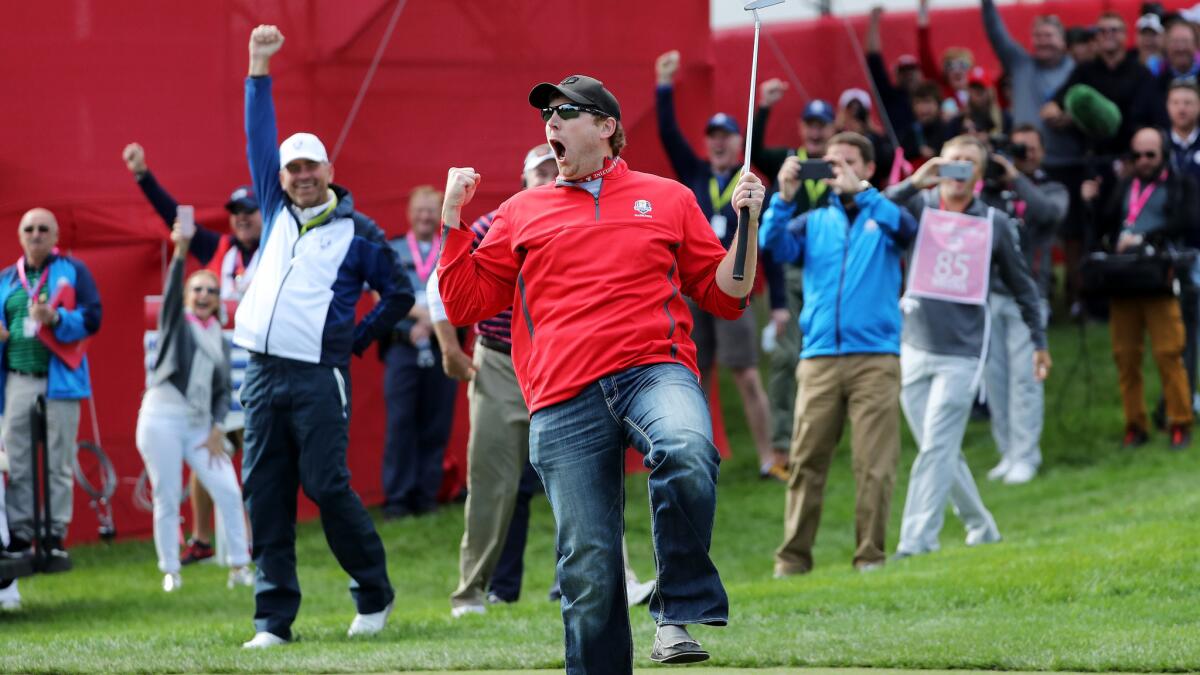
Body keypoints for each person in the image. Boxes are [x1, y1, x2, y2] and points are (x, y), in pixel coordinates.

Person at [438, 74, 765, 670]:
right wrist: (453, 219)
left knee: (688, 447)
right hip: (563, 394)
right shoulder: (520, 210)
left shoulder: (668, 197)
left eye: (564, 112)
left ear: (607, 126)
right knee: (589, 572)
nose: (550, 124)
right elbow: (463, 305)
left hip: (653, 369)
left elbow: (728, 294)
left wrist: (747, 222)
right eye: (546, 116)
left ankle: (676, 612)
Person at [236, 25, 413, 648]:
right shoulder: (274, 204)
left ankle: (373, 593)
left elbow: (399, 295)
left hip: (317, 377)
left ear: (329, 170)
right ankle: (273, 622)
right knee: (265, 491)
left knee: (326, 485)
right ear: (280, 177)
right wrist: (259, 66)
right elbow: (260, 131)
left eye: (310, 166)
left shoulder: (359, 232)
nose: (301, 176)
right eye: (292, 168)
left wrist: (354, 340)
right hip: (260, 373)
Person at [885, 135, 1051, 559]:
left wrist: (1039, 341)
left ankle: (915, 542)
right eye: (951, 161)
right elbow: (870, 211)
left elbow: (1023, 285)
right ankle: (982, 525)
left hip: (962, 353)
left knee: (937, 447)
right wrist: (913, 183)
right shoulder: (918, 208)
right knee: (937, 449)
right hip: (913, 344)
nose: (958, 171)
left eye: (967, 165)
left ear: (977, 176)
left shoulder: (993, 222)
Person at [760, 132, 916, 576]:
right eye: (828, 164)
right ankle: (792, 561)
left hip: (876, 358)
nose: (836, 171)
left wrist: (864, 195)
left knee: (875, 465)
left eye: (847, 163)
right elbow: (774, 245)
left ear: (867, 169)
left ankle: (870, 557)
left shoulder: (883, 215)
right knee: (806, 461)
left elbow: (909, 230)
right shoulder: (812, 221)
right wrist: (783, 199)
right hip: (820, 357)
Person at [121, 141, 263, 566]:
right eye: (235, 213)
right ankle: (203, 537)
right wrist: (144, 176)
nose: (241, 219)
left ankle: (251, 541)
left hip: (257, 361)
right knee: (207, 447)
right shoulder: (218, 248)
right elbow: (175, 219)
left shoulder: (277, 247)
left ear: (262, 215)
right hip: (214, 364)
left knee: (247, 453)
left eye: (249, 211)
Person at [655, 49, 786, 479]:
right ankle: (699, 457)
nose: (717, 141)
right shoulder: (693, 172)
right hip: (691, 289)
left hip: (730, 285)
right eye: (711, 134)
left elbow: (763, 247)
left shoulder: (748, 182)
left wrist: (780, 300)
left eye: (726, 135)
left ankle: (769, 456)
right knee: (695, 375)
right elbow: (669, 133)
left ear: (736, 141)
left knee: (746, 373)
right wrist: (663, 85)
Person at [136, 222, 252, 592]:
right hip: (161, 418)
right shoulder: (176, 324)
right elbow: (169, 295)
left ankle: (239, 567)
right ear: (188, 295)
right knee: (167, 494)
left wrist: (218, 427)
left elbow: (222, 392)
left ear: (219, 299)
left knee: (229, 490)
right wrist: (182, 251)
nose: (204, 295)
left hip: (201, 425)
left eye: (211, 291)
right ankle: (170, 569)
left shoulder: (219, 336)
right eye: (197, 289)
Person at [1081, 127, 1197, 449]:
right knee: (1125, 357)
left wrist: (1147, 238)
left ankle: (1179, 422)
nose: (1143, 161)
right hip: (1124, 282)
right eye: (1137, 155)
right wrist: (1090, 201)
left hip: (1158, 280)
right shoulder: (1122, 186)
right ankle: (1135, 425)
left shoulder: (1179, 185)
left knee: (1169, 354)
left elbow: (1189, 221)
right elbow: (1104, 224)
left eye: (1150, 155)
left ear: (1163, 155)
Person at [0, 208, 102, 565]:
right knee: (18, 460)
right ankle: (22, 533)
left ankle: (54, 533)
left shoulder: (73, 271)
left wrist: (57, 318)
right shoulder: (7, 279)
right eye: (30, 228)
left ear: (56, 236)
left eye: (44, 228)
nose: (37, 234)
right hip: (17, 379)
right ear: (20, 236)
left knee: (59, 458)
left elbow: (93, 318)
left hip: (61, 380)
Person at [751, 85, 837, 464]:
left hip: (832, 273)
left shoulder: (842, 166)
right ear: (802, 128)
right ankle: (783, 442)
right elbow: (751, 151)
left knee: (831, 356)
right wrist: (764, 108)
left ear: (833, 128)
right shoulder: (787, 162)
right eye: (811, 125)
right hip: (789, 273)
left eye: (824, 126)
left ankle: (823, 436)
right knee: (788, 358)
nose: (817, 133)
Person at [979, 125, 1069, 484]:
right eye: (1019, 150)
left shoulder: (1050, 189)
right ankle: (1008, 452)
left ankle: (1027, 455)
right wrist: (991, 177)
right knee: (995, 380)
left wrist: (1016, 178)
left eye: (1030, 149)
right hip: (989, 296)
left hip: (1028, 298)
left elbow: (1048, 214)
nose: (1025, 155)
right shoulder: (989, 192)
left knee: (1025, 378)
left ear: (1043, 152)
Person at [379, 186, 457, 518]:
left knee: (436, 424)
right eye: (420, 210)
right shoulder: (393, 249)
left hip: (442, 349)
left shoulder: (450, 249)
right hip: (403, 347)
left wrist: (435, 324)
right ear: (410, 213)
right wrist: (424, 316)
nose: (425, 216)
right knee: (400, 424)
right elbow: (380, 293)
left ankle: (427, 497)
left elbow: (460, 292)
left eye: (431, 210)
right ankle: (397, 500)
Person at [866, 6, 925, 142]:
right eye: (904, 72)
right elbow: (874, 60)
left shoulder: (932, 96)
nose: (909, 75)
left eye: (912, 70)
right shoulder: (890, 97)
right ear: (897, 76)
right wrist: (874, 22)